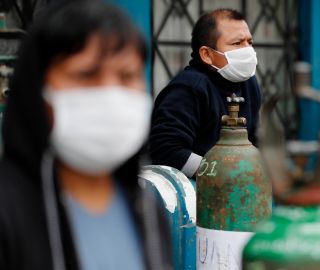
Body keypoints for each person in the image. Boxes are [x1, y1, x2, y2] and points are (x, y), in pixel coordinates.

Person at [0, 1, 171, 270]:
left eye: (127, 76)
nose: (111, 95)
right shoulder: (9, 212)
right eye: (86, 74)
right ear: (37, 91)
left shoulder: (148, 212)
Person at [148, 8, 261, 178]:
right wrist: (220, 175)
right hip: (195, 193)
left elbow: (254, 139)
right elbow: (167, 149)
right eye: (237, 43)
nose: (247, 50)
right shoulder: (188, 88)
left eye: (249, 42)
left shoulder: (249, 83)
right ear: (207, 54)